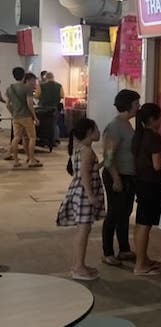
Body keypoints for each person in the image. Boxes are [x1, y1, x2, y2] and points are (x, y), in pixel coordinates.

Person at [56, 118, 105, 281]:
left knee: (84, 230)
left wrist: (105, 162)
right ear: (90, 132)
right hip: (84, 194)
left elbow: (90, 169)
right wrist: (91, 195)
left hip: (80, 192)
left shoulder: (81, 148)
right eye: (96, 129)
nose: (99, 132)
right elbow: (84, 174)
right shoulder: (87, 151)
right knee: (83, 231)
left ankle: (78, 265)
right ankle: (78, 267)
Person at [102, 89, 140, 266]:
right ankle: (108, 252)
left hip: (128, 175)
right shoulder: (115, 126)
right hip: (117, 176)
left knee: (125, 213)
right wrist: (116, 178)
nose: (138, 107)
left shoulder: (127, 124)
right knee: (114, 214)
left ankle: (124, 248)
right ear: (128, 105)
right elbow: (109, 156)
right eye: (136, 103)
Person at [132, 103, 161, 276]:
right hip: (151, 184)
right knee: (145, 225)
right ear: (153, 119)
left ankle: (142, 259)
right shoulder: (154, 138)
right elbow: (157, 165)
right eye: (160, 117)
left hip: (141, 182)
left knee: (141, 223)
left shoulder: (139, 136)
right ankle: (140, 265)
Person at [6, 72, 41, 168]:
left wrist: (13, 113)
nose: (34, 83)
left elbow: (8, 104)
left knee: (17, 137)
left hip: (16, 117)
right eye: (33, 80)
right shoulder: (27, 88)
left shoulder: (10, 88)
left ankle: (16, 160)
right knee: (32, 137)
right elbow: (30, 104)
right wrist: (35, 117)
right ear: (27, 78)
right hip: (26, 116)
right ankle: (31, 160)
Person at [38, 72, 64, 144]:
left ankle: (44, 139)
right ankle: (55, 139)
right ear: (53, 77)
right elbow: (62, 95)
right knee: (54, 124)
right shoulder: (59, 86)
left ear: (46, 78)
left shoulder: (41, 86)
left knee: (44, 124)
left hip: (43, 108)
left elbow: (37, 95)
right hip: (55, 108)